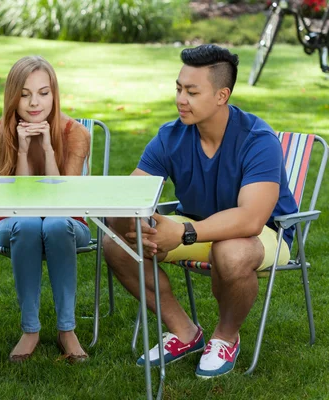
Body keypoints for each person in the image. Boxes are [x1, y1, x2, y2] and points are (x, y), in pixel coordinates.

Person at [103, 44, 297, 379]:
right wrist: (132, 222)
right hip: (195, 225)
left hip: (263, 234)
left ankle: (225, 337)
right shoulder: (170, 136)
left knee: (231, 252)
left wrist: (181, 233)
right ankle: (184, 333)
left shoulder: (258, 139)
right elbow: (129, 195)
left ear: (222, 95)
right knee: (116, 243)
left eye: (192, 92)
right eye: (179, 88)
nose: (180, 99)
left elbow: (251, 218)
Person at [0, 56, 92, 363]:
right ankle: (30, 329)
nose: (34, 103)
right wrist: (19, 149)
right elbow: (16, 203)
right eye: (25, 94)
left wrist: (46, 147)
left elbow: (65, 202)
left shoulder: (75, 134)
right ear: (12, 96)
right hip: (12, 222)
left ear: (54, 95)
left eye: (43, 93)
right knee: (29, 224)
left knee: (56, 224)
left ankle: (66, 329)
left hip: (69, 223)